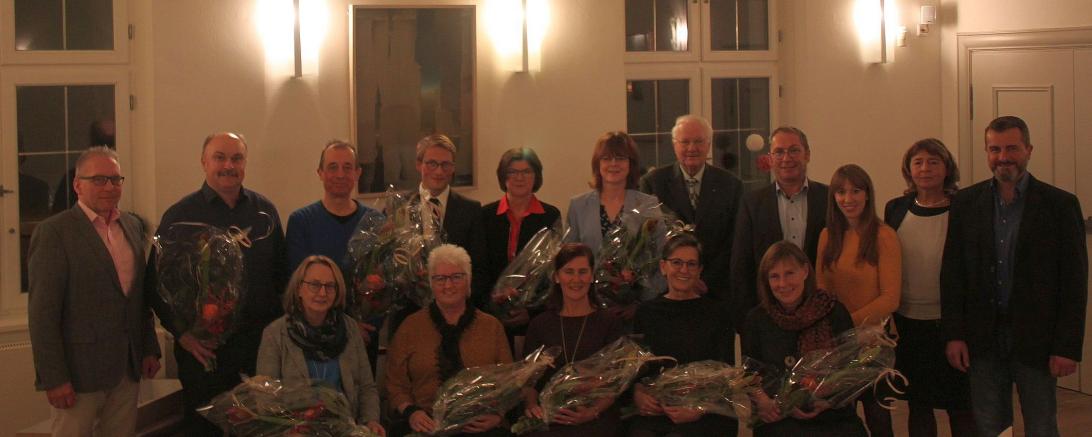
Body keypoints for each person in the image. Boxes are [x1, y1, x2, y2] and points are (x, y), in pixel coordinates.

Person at [941, 116, 1087, 437]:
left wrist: (1067, 346)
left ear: (1028, 150)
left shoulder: (1060, 205)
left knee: (1041, 424)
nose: (1003, 156)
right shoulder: (965, 203)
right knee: (991, 426)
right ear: (986, 151)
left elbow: (1074, 283)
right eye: (995, 149)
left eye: (1012, 148)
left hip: (1037, 338)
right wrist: (954, 334)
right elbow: (953, 274)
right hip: (982, 339)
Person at [146, 132, 288, 436]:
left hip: (258, 349)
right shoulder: (180, 216)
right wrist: (182, 335)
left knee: (259, 429)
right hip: (204, 355)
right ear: (203, 162)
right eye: (219, 157)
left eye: (236, 158)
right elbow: (156, 285)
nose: (228, 165)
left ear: (245, 163)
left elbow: (282, 277)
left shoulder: (264, 212)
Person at [28, 146, 161, 436]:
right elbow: (42, 314)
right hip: (78, 375)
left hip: (127, 367)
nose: (109, 187)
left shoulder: (132, 226)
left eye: (116, 179)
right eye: (99, 179)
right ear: (78, 185)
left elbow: (138, 298)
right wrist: (54, 378)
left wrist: (149, 347)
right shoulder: (55, 232)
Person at [883, 139, 976, 437]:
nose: (925, 169)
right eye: (918, 162)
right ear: (908, 169)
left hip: (952, 325)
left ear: (946, 168)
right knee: (918, 405)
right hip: (908, 325)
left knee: (960, 407)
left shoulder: (965, 208)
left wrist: (957, 329)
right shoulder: (896, 208)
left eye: (934, 162)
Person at [385, 244, 513, 437]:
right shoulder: (410, 327)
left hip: (480, 425)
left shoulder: (491, 326)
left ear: (468, 281)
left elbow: (509, 381)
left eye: (456, 277)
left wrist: (497, 415)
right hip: (427, 425)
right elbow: (395, 383)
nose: (448, 285)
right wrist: (412, 412)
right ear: (431, 283)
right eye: (440, 278)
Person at [742, 241, 866, 437]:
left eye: (789, 273)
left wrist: (827, 402)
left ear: (805, 271)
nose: (782, 284)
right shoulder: (756, 319)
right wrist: (764, 402)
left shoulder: (833, 311)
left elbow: (851, 366)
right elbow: (749, 373)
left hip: (829, 411)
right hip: (778, 413)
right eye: (774, 276)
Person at [257, 255, 385, 436]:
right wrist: (286, 431)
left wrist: (371, 421)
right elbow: (265, 398)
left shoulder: (350, 329)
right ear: (299, 288)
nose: (323, 293)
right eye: (315, 285)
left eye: (329, 286)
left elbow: (366, 388)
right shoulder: (275, 334)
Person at [816, 164, 901, 437]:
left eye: (855, 191)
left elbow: (891, 298)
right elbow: (820, 291)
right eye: (841, 192)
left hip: (872, 343)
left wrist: (846, 324)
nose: (848, 199)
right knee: (841, 419)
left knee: (878, 418)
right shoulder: (827, 236)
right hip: (836, 344)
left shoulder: (884, 236)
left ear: (867, 195)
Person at [629, 234, 737, 437]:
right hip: (658, 411)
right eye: (677, 262)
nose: (684, 270)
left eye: (691, 264)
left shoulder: (718, 313)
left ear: (700, 271)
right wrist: (638, 394)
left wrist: (698, 408)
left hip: (705, 412)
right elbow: (638, 369)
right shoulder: (646, 312)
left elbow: (726, 373)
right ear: (663, 267)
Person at [729, 126, 828, 334]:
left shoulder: (828, 198)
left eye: (794, 150)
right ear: (771, 158)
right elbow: (741, 265)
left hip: (817, 314)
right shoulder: (752, 203)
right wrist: (744, 320)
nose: (786, 158)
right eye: (779, 152)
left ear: (807, 154)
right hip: (767, 315)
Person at [521, 243, 624, 437]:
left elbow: (616, 381)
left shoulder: (609, 322)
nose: (576, 279)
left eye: (583, 272)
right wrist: (532, 406)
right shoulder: (539, 324)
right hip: (552, 416)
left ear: (592, 276)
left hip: (596, 415)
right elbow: (531, 380)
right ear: (557, 277)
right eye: (568, 272)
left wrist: (592, 412)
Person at [639, 115, 744, 301]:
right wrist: (680, 276)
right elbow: (648, 241)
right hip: (667, 291)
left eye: (698, 141)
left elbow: (734, 241)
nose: (692, 148)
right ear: (674, 145)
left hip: (715, 292)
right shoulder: (653, 183)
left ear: (709, 144)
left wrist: (701, 279)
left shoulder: (731, 185)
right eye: (685, 141)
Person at [566, 131, 661, 320]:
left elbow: (660, 258)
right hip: (588, 309)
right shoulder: (578, 206)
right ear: (597, 164)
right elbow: (569, 261)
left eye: (620, 158)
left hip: (635, 312)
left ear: (631, 163)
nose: (613, 164)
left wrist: (639, 304)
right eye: (606, 158)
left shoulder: (648, 205)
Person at [481, 147, 561, 350]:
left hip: (536, 319)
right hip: (491, 319)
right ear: (503, 177)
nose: (520, 177)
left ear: (536, 176)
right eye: (513, 172)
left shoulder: (550, 216)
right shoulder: (485, 216)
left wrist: (532, 310)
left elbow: (553, 273)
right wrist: (492, 305)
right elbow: (479, 267)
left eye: (526, 171)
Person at [410, 134, 488, 306]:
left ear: (453, 168)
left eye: (445, 164)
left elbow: (479, 268)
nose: (439, 171)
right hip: (410, 312)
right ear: (418, 165)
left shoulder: (471, 210)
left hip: (458, 310)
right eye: (432, 163)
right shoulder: (399, 208)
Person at [286, 140, 377, 272]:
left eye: (347, 168)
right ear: (320, 173)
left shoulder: (373, 221)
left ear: (357, 173)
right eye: (333, 167)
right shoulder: (300, 222)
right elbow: (297, 281)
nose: (340, 175)